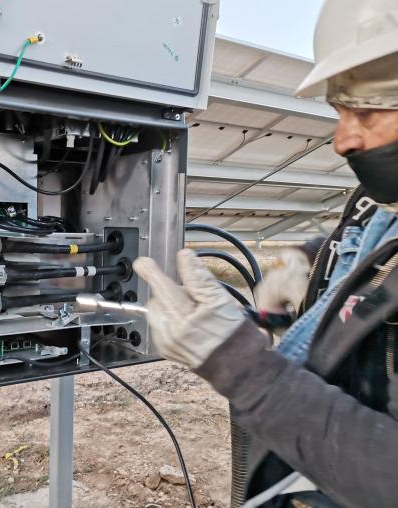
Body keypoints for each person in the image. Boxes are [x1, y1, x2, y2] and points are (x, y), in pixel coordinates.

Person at [133, 1, 398, 506]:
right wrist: (304, 264)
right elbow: (367, 239)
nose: (342, 140)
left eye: (364, 112)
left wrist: (243, 369)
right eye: (340, 113)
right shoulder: (381, 195)